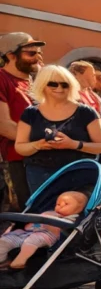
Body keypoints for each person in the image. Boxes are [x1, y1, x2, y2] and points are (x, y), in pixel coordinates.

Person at [15, 65, 101, 190]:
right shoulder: (31, 113)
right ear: (42, 85)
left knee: (75, 209)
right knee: (44, 210)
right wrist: (38, 145)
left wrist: (74, 144)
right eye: (53, 84)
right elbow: (20, 146)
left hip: (79, 173)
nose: (59, 88)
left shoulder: (86, 112)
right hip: (40, 175)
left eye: (65, 85)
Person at [0, 32, 46, 210]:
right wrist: (39, 142)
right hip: (15, 161)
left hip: (39, 159)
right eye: (31, 54)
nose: (38, 58)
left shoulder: (33, 83)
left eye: (39, 53)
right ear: (11, 55)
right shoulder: (2, 78)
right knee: (21, 216)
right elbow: (4, 126)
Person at [0, 191, 87, 269]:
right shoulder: (48, 213)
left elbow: (59, 228)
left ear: (79, 208)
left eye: (66, 204)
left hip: (49, 236)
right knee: (6, 239)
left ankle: (19, 261)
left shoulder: (73, 219)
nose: (60, 206)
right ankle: (3, 260)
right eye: (58, 204)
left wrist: (45, 222)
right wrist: (33, 225)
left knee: (34, 239)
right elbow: (35, 224)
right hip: (28, 233)